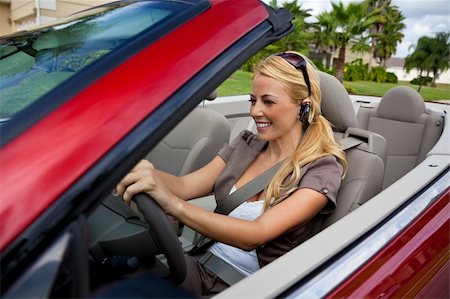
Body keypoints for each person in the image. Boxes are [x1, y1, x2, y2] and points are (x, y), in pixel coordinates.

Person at [116, 51, 347, 296]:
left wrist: (175, 206)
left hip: (247, 289)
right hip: (199, 265)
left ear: (304, 106)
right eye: (253, 100)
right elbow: (183, 186)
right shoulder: (247, 144)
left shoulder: (322, 169)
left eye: (268, 101)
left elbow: (256, 234)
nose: (255, 111)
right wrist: (135, 170)